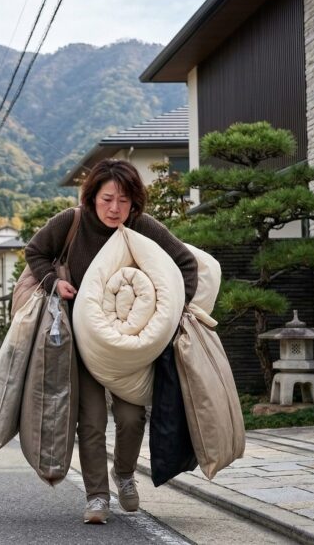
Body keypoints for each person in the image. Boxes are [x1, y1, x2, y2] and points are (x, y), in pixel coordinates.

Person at [24, 159, 197, 524]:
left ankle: (124, 474)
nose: (115, 208)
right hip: (82, 345)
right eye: (107, 199)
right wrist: (55, 283)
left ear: (135, 203)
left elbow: (186, 264)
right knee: (90, 422)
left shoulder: (143, 227)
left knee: (132, 418)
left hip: (131, 344)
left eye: (124, 201)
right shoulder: (70, 223)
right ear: (91, 198)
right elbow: (35, 252)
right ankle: (98, 497)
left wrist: (169, 315)